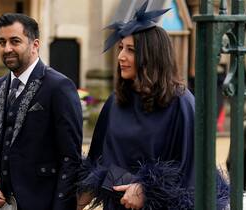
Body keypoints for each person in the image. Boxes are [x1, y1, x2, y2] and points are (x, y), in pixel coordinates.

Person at [77, 2, 228, 210]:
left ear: (151, 56)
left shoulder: (182, 104)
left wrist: (147, 190)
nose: (121, 56)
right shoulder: (115, 102)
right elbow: (97, 161)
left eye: (130, 50)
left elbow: (191, 172)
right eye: (121, 48)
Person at [0, 13, 83, 210]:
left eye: (15, 41)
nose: (7, 48)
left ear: (35, 45)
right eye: (2, 42)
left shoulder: (59, 86)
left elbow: (71, 159)